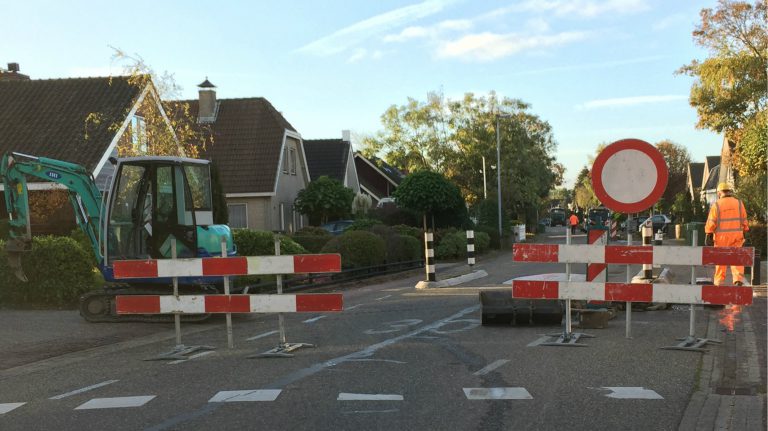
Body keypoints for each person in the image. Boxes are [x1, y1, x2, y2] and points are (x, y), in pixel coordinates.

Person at [705, 182, 749, 286]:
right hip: (736, 237)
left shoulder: (716, 205)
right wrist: (744, 231)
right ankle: (738, 280)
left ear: (719, 193)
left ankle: (719, 283)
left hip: (721, 238)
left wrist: (708, 233)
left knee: (720, 262)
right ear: (729, 191)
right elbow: (744, 221)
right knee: (737, 259)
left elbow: (711, 222)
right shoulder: (739, 203)